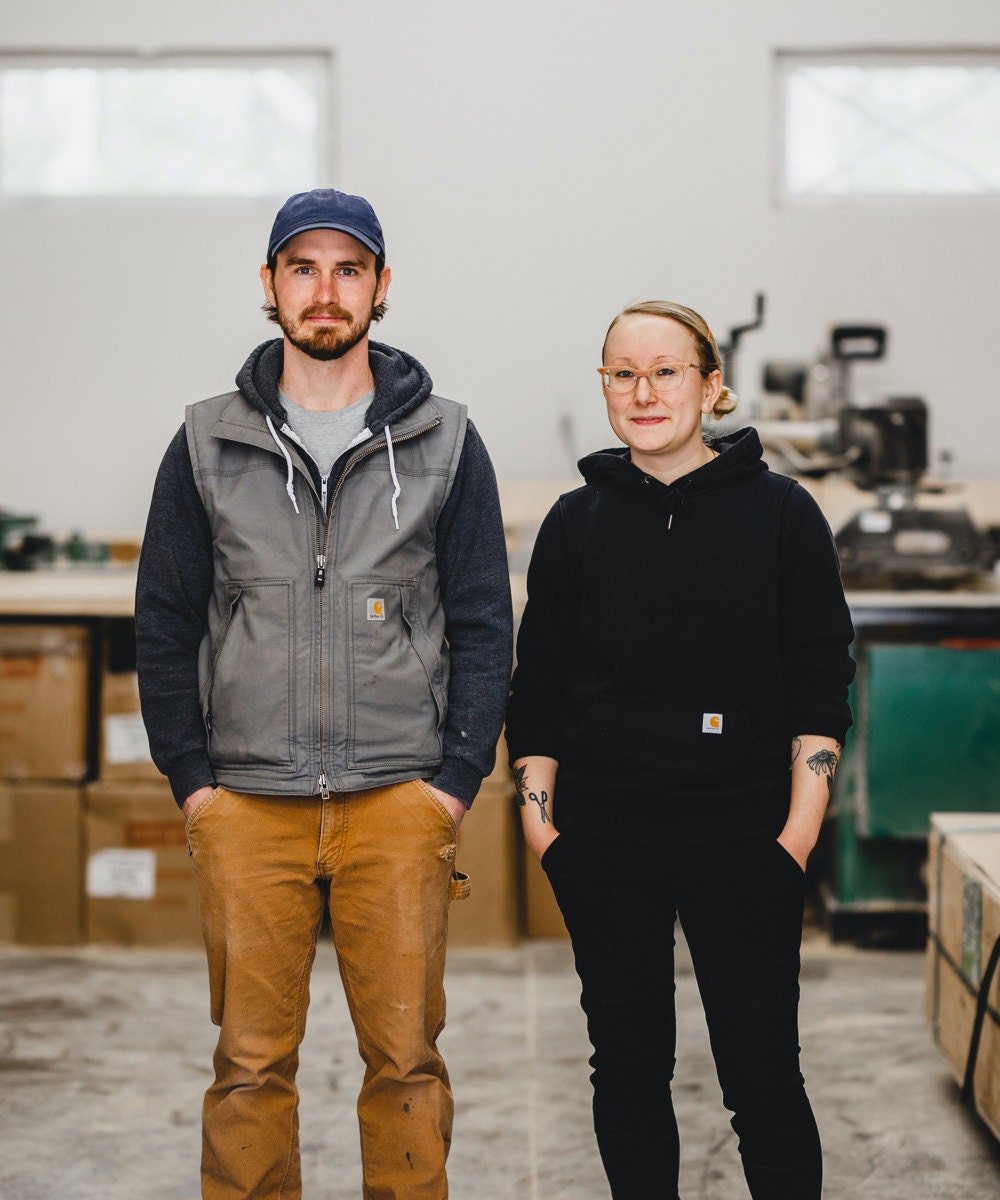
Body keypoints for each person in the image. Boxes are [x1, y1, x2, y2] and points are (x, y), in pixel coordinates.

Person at [136, 187, 513, 1200]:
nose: (325, 290)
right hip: (246, 802)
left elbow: (483, 619)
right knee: (251, 1067)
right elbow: (165, 622)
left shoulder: (444, 441)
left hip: (396, 799)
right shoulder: (206, 442)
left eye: (348, 269)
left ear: (380, 287)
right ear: (270, 286)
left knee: (405, 1068)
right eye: (303, 268)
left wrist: (454, 779)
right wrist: (193, 782)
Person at [505, 300, 855, 1200]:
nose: (644, 391)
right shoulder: (575, 524)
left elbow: (820, 685)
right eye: (623, 373)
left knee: (763, 1079)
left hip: (744, 841)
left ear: (711, 384)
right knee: (626, 1073)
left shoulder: (782, 515)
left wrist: (797, 836)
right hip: (606, 842)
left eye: (666, 371)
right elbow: (537, 691)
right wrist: (545, 830)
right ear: (606, 388)